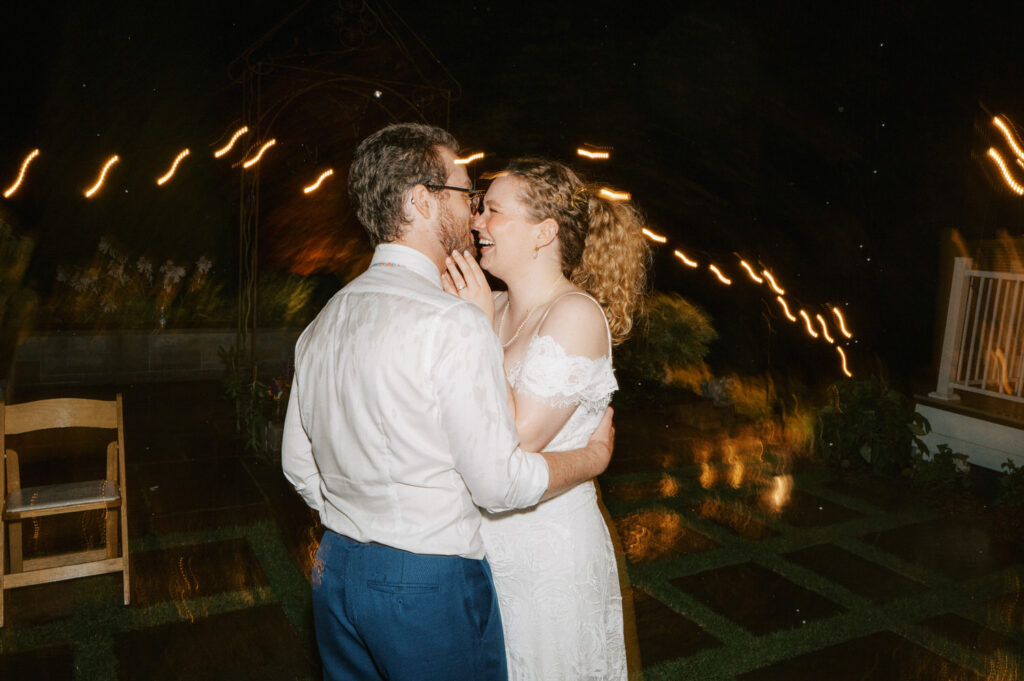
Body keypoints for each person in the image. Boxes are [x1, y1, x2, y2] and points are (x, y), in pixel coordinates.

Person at [281, 124, 616, 681]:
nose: (475, 215)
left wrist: (363, 516)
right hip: (433, 579)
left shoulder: (323, 322)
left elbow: (297, 462)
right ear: (420, 200)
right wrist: (592, 459)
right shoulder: (458, 316)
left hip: (343, 569)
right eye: (466, 196)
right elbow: (499, 480)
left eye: (489, 207)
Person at [442, 157, 650, 680]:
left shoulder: (575, 315)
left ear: (545, 232)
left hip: (548, 560)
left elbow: (512, 440)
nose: (477, 222)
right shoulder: (487, 302)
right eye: (479, 208)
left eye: (493, 211)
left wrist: (477, 324)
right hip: (481, 548)